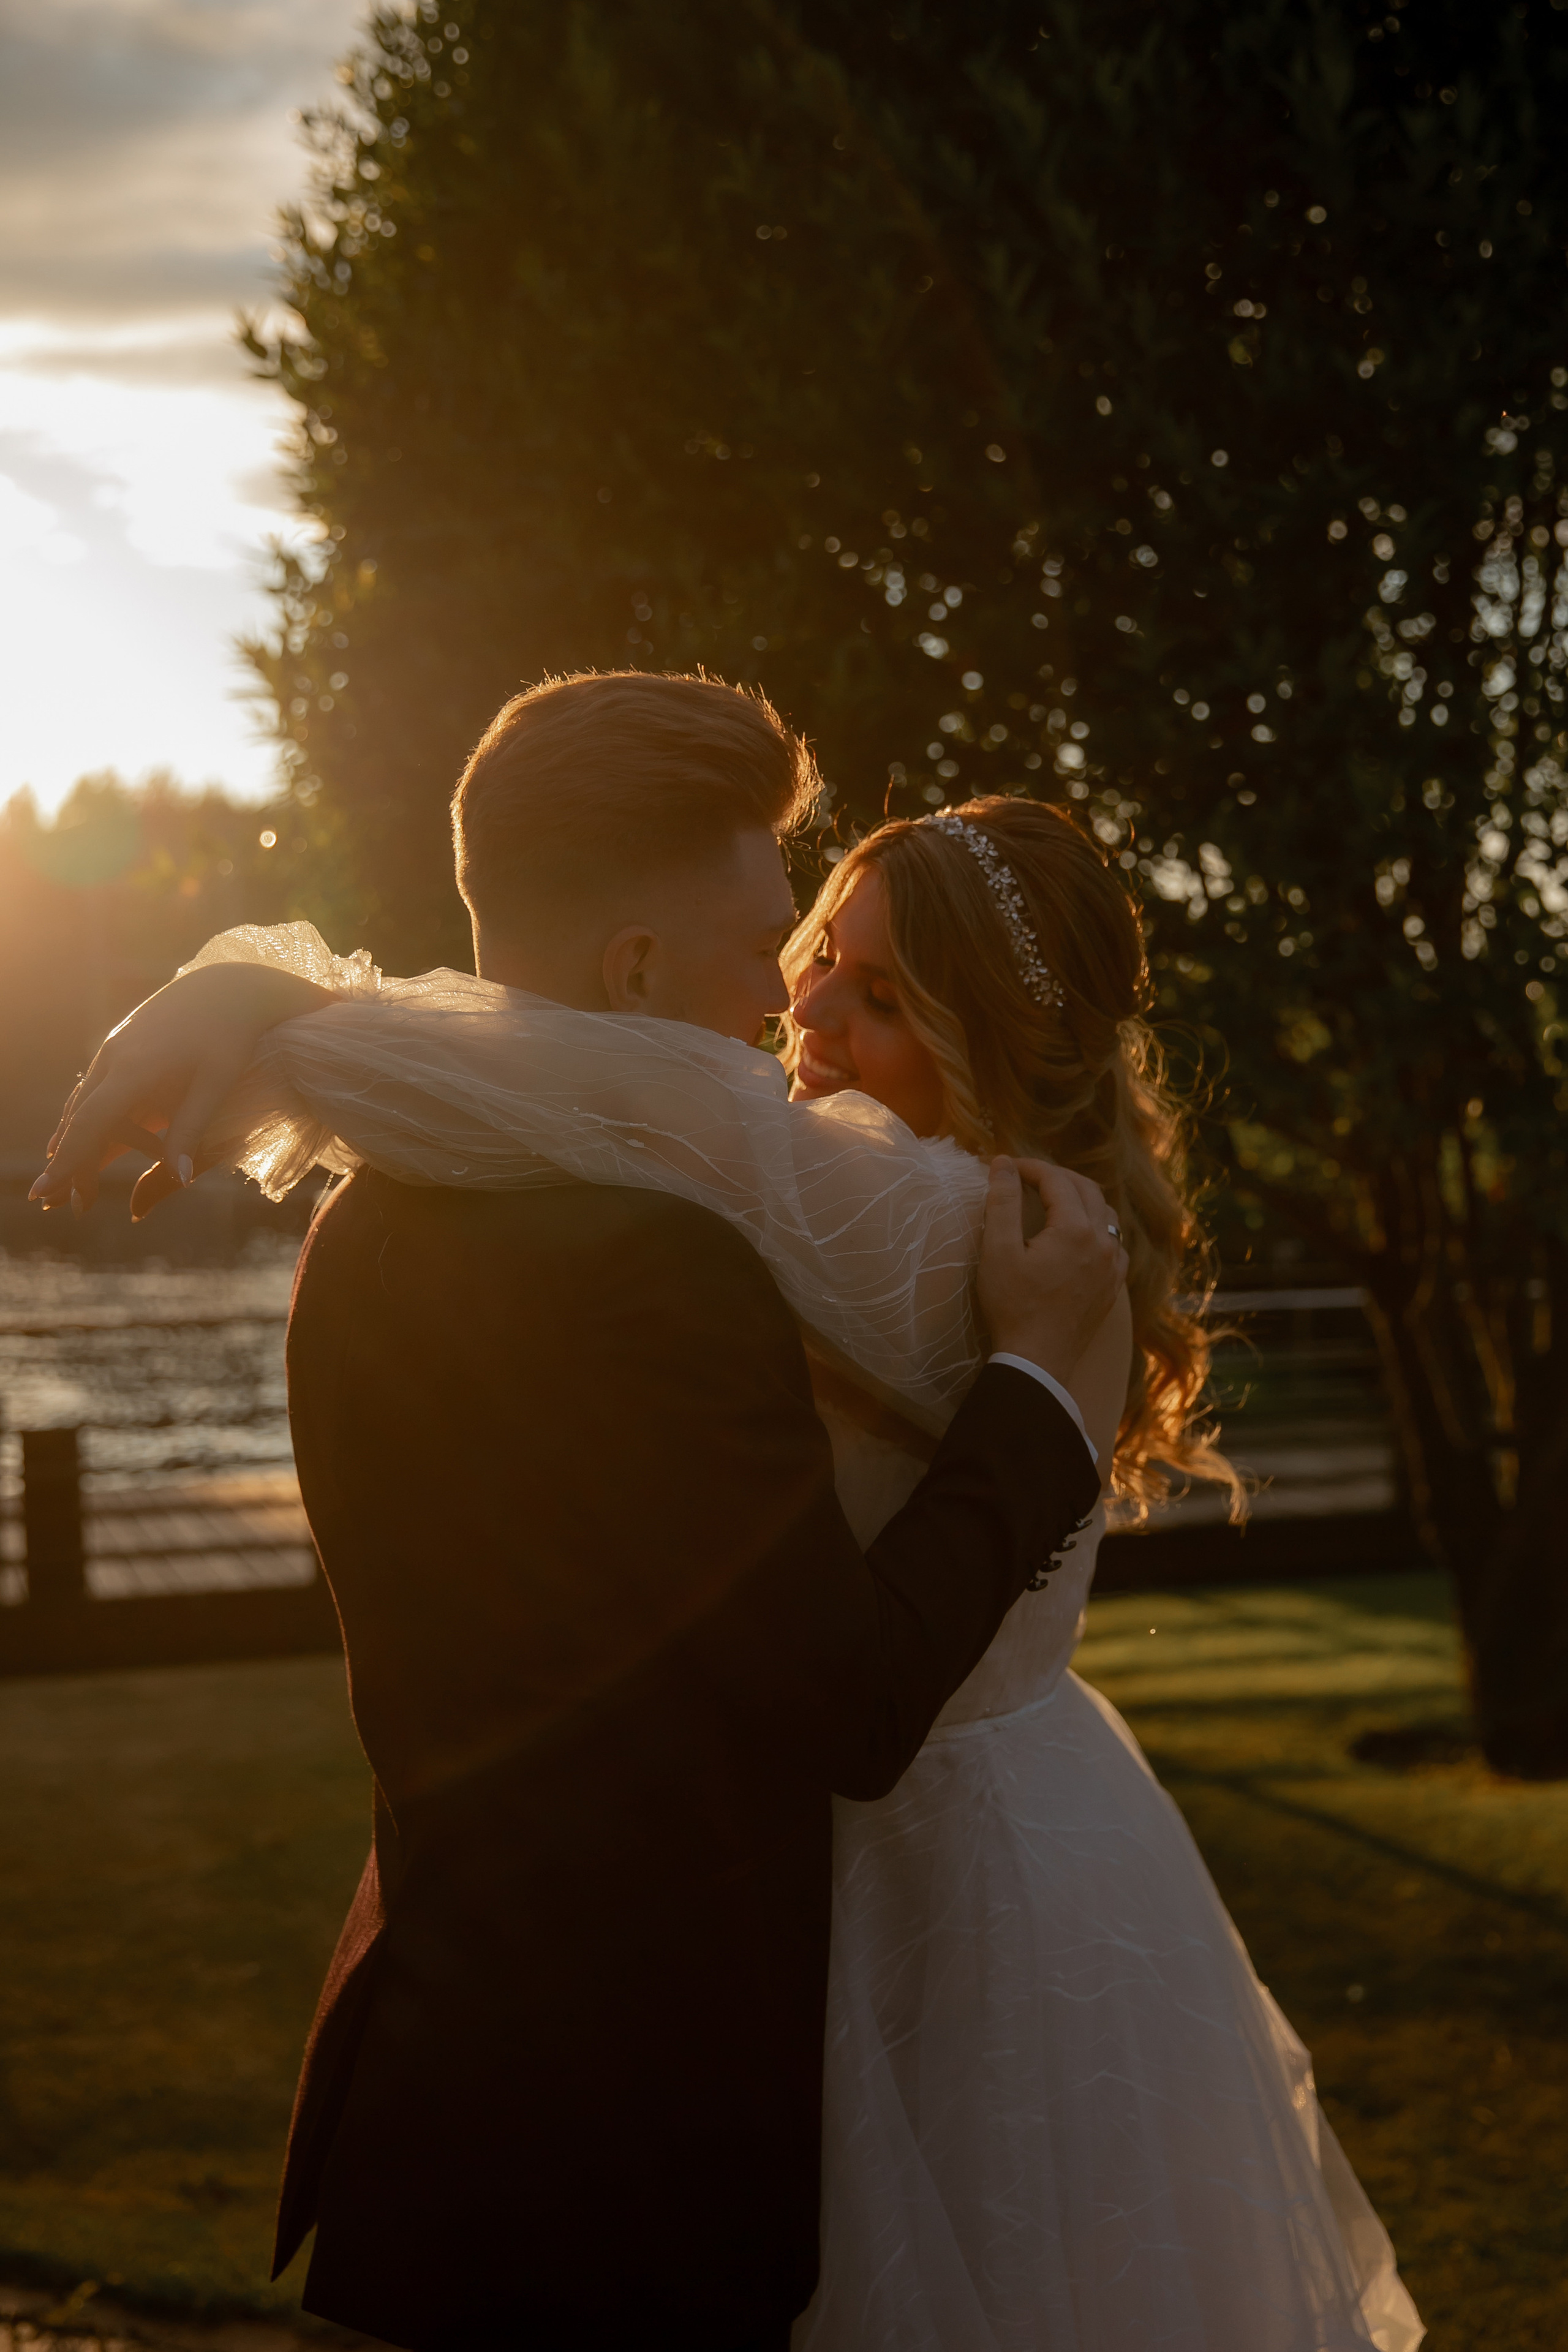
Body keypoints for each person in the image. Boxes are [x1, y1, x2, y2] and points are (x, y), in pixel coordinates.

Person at [44, 684, 1423, 2350]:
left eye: (872, 988)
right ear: (638, 966)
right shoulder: (724, 1230)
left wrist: (265, 1010)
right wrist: (269, 1011)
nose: (794, 1001)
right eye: (799, 946)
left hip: (800, 1965)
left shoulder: (928, 1234)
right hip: (676, 2046)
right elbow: (624, 1118)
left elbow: (581, 1097)